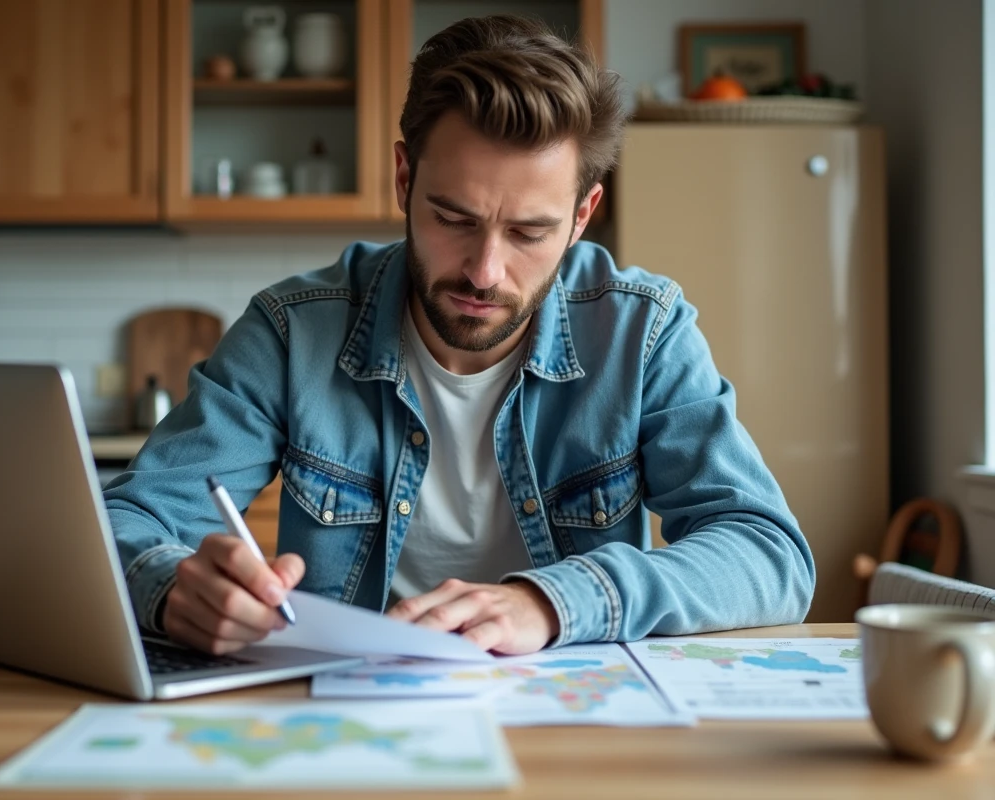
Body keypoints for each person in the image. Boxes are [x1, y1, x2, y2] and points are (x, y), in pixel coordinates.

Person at [104, 15, 814, 657]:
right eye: (454, 219)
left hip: (571, 719)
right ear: (403, 178)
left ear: (582, 215)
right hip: (350, 710)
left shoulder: (643, 333)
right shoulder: (292, 331)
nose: (484, 271)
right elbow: (124, 520)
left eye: (529, 232)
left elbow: (768, 554)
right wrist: (170, 588)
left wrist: (554, 601)